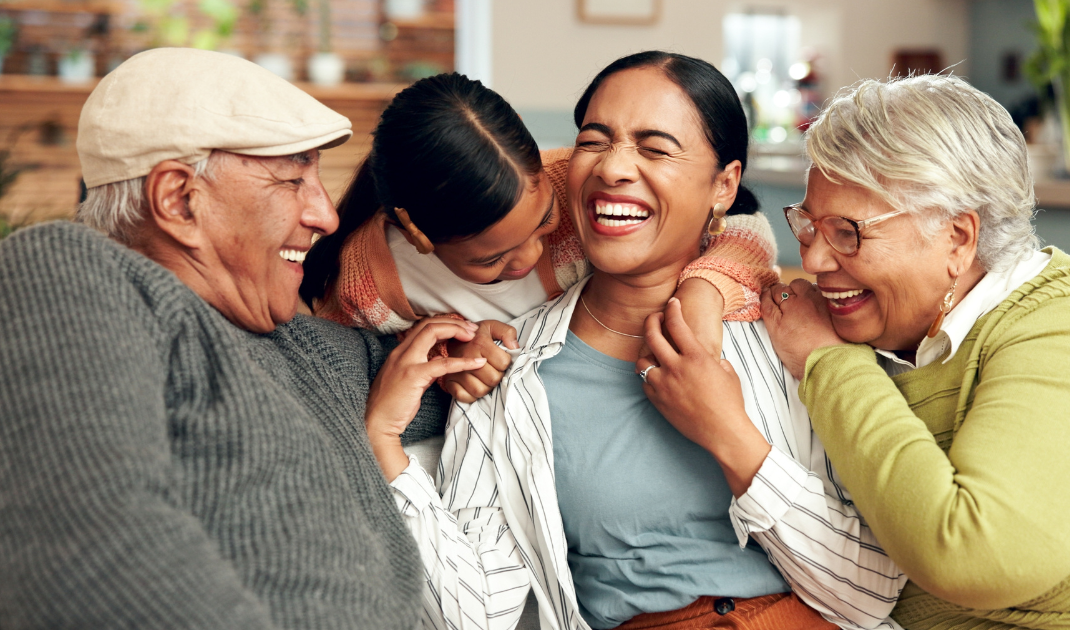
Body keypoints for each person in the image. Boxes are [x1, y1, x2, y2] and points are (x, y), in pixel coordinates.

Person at [363, 51, 906, 630]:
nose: (613, 168)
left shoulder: (794, 335)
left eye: (655, 147)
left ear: (724, 186)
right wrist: (383, 444)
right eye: (594, 141)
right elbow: (476, 616)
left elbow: (870, 594)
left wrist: (730, 435)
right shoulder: (504, 370)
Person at [663, 74, 1070, 630]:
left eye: (847, 232)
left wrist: (830, 364)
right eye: (809, 226)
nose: (812, 261)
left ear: (958, 238)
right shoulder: (886, 328)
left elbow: (971, 555)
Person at [0, 48, 483, 628]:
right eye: (294, 178)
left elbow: (469, 377)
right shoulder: (64, 276)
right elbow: (94, 562)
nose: (325, 214)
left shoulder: (302, 346)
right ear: (178, 200)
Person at [300, 72, 779, 404]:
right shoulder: (368, 285)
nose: (530, 255)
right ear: (417, 234)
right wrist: (451, 354)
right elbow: (379, 366)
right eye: (492, 259)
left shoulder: (580, 180)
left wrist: (706, 288)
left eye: (544, 220)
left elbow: (741, 220)